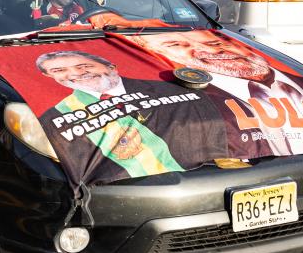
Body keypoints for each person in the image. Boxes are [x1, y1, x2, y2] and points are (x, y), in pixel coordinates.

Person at [129, 30, 303, 155]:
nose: (212, 50)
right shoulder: (146, 88)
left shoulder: (296, 80)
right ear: (153, 52)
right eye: (175, 44)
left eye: (214, 42)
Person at [35, 50, 228, 186]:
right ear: (50, 77)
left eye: (84, 65)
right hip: (129, 188)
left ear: (111, 66)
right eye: (59, 71)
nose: (76, 73)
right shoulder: (56, 116)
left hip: (209, 175)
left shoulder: (169, 87)